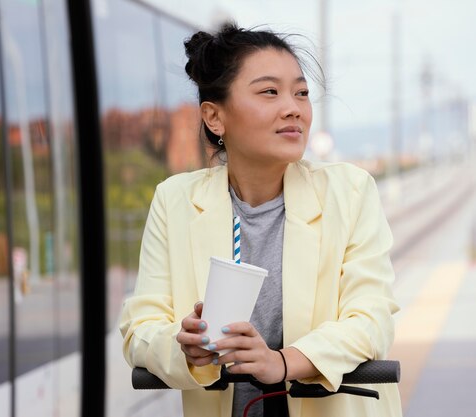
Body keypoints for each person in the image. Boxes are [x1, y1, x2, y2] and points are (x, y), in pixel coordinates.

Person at [119, 23, 402, 417]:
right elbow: (140, 327)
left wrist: (284, 362)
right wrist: (183, 345)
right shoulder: (175, 200)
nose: (294, 107)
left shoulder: (350, 192)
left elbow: (371, 319)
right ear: (215, 117)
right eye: (270, 91)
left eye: (301, 93)